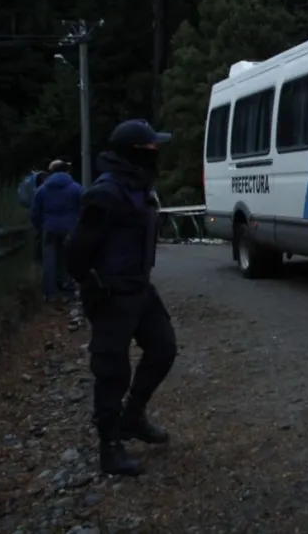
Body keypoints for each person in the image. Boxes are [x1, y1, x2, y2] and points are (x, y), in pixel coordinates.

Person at [64, 119, 177, 477]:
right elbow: (75, 252)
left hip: (139, 289)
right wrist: (93, 284)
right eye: (151, 150)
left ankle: (133, 417)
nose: (156, 155)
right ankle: (109, 447)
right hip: (113, 293)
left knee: (163, 349)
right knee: (112, 371)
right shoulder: (106, 193)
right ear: (134, 154)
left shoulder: (140, 188)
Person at [30, 160, 83, 301]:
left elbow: (34, 212)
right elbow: (84, 208)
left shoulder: (43, 189)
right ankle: (68, 290)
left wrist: (40, 227)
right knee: (67, 258)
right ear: (66, 171)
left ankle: (49, 293)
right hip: (70, 228)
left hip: (49, 228)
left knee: (49, 260)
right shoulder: (76, 188)